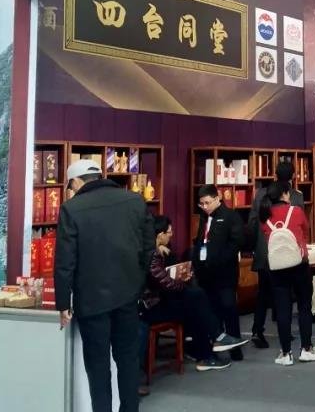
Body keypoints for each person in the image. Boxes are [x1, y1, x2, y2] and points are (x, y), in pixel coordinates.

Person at [55, 159, 155, 412]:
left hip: (91, 301)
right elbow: (149, 247)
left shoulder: (72, 209)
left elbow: (65, 261)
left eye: (70, 186)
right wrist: (137, 280)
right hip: (128, 296)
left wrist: (63, 303)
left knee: (98, 367)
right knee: (128, 360)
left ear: (76, 182)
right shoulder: (135, 201)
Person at [141, 216, 244, 372]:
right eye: (169, 232)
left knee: (196, 302)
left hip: (158, 301)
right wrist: (183, 283)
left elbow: (163, 280)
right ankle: (213, 344)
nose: (171, 234)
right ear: (159, 235)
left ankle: (209, 350)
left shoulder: (154, 251)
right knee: (196, 300)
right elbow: (164, 282)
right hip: (151, 307)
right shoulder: (152, 254)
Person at [259, 181, 315, 366]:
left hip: (276, 268)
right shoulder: (296, 211)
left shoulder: (265, 216)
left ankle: (286, 353)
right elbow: (305, 231)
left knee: (282, 309)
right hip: (299, 265)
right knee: (304, 306)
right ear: (285, 194)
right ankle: (306, 349)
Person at [249, 161, 305, 349]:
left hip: (263, 250)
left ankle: (257, 329)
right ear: (293, 176)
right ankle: (285, 333)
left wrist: (255, 247)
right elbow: (300, 227)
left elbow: (252, 222)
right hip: (285, 253)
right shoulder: (296, 196)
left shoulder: (260, 194)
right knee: (286, 293)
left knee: (263, 293)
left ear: (274, 174)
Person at [192, 184, 246, 361]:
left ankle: (235, 348)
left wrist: (220, 259)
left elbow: (237, 243)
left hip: (225, 273)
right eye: (201, 204)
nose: (205, 207)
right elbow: (200, 240)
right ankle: (213, 347)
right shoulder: (203, 217)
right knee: (211, 310)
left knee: (229, 308)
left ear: (217, 198)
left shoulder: (231, 216)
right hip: (205, 273)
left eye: (207, 203)